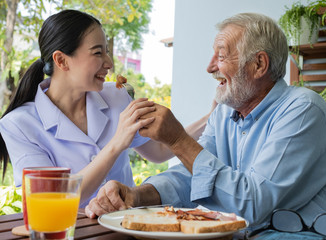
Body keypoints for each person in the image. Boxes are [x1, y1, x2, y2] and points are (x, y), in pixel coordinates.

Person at [85, 12, 326, 238]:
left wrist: (178, 140)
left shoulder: (303, 110)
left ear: (259, 64)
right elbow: (192, 177)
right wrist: (137, 195)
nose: (210, 67)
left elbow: (252, 204)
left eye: (221, 56)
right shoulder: (225, 113)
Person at [0, 9, 213, 207]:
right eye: (97, 53)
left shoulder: (115, 96)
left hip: (123, 228)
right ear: (62, 60)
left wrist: (212, 116)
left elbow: (159, 151)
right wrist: (117, 143)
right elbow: (53, 199)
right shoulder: (18, 125)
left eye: (107, 52)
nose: (109, 62)